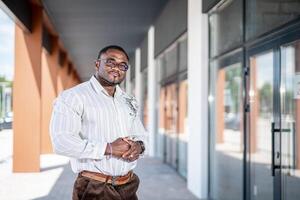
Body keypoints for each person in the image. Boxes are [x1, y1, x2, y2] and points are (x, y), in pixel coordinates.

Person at [49, 45, 147, 200]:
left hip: (128, 185)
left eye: (123, 65)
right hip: (95, 188)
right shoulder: (73, 97)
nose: (117, 68)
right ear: (97, 64)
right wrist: (108, 148)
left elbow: (141, 135)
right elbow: (62, 142)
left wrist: (139, 146)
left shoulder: (129, 100)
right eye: (110, 62)